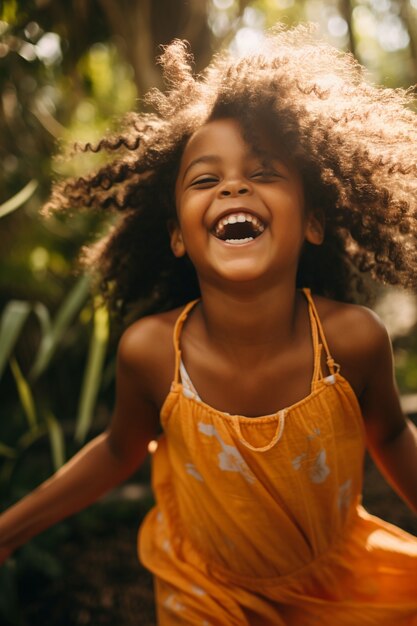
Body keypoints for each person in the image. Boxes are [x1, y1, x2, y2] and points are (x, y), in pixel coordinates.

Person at [1, 22, 417, 625]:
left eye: (264, 172)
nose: (234, 185)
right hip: (205, 593)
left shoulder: (351, 342)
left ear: (313, 222)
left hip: (338, 584)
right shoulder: (153, 354)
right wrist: (11, 529)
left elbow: (394, 439)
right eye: (205, 179)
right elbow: (119, 449)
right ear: (177, 234)